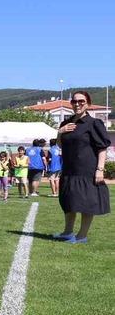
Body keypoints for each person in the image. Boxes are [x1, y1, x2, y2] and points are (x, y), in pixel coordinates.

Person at [53, 91, 111, 244]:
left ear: (88, 104)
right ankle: (67, 232)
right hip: (69, 170)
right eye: (74, 101)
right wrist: (60, 132)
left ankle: (81, 236)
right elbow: (60, 145)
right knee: (68, 201)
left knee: (86, 203)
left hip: (87, 170)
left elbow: (102, 148)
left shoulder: (93, 123)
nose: (77, 104)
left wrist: (100, 170)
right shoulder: (65, 123)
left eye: (81, 101)